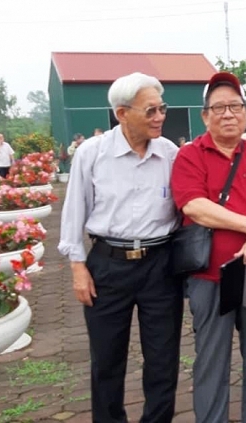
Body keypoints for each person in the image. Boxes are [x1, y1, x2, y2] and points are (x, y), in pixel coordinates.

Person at [57, 72, 183, 423]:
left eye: (162, 108)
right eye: (150, 111)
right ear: (122, 113)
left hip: (160, 265)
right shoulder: (92, 153)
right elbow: (74, 211)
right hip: (108, 265)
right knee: (107, 360)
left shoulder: (170, 153)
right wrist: (77, 267)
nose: (159, 117)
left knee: (163, 359)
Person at [170, 71, 246, 423]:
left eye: (235, 106)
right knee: (211, 357)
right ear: (205, 116)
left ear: (245, 113)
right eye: (219, 107)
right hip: (211, 275)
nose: (228, 114)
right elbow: (193, 206)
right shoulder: (190, 156)